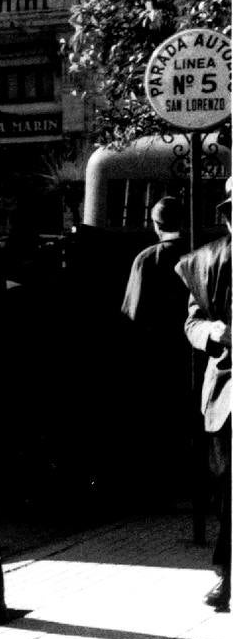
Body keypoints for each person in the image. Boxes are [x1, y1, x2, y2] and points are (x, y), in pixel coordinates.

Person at [175, 182, 231, 613]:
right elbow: (192, 322)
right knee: (226, 489)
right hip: (225, 394)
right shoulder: (207, 262)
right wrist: (209, 332)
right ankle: (227, 576)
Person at [120, 197, 192, 496]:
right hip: (192, 354)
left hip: (156, 355)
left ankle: (161, 486)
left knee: (158, 421)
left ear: (155, 224)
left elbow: (132, 313)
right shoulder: (199, 253)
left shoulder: (147, 259)